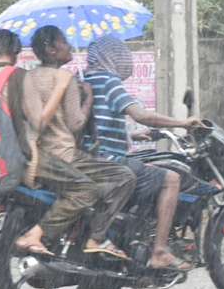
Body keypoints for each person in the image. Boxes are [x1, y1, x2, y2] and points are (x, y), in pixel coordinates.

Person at [14, 26, 136, 258]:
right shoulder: (66, 79)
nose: (68, 45)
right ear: (51, 50)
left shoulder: (29, 76)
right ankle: (96, 237)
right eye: (63, 42)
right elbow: (75, 124)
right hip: (63, 153)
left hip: (36, 153)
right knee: (124, 177)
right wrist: (88, 98)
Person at [82, 36, 202, 270]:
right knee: (171, 179)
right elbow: (140, 114)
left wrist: (133, 135)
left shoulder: (85, 80)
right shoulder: (108, 81)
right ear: (111, 57)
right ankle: (159, 251)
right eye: (119, 54)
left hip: (89, 158)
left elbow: (98, 124)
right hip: (109, 160)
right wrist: (182, 123)